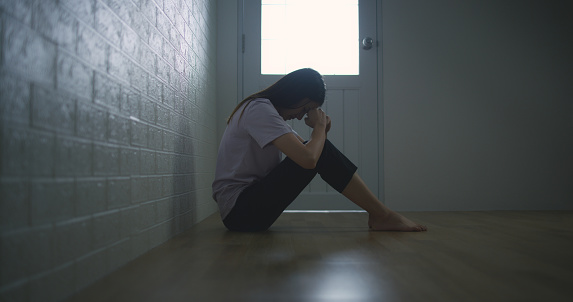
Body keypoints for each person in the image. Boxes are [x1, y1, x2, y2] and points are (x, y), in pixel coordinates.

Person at [212, 68, 427, 232]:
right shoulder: (259, 109)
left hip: (245, 210)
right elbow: (309, 159)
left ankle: (381, 214)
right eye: (304, 108)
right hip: (241, 211)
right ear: (293, 94)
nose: (300, 116)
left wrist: (321, 134)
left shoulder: (267, 113)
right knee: (316, 152)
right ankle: (382, 215)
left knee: (317, 149)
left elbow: (310, 153)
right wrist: (320, 128)